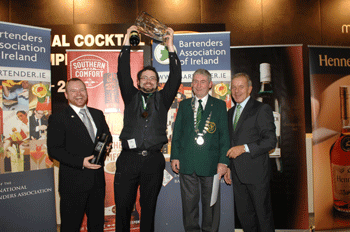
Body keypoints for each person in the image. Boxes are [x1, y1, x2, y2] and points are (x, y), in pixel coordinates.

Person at [114, 25, 181, 232]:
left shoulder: (163, 99)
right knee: (124, 207)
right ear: (138, 81)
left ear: (157, 83)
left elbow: (176, 77)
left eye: (153, 78)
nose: (149, 81)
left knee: (149, 208)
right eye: (145, 78)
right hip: (128, 159)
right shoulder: (131, 95)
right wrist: (127, 40)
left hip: (153, 160)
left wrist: (171, 48)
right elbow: (122, 71)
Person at [47, 78, 111, 232]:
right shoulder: (58, 118)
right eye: (73, 91)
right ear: (66, 95)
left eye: (82, 90)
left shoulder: (97, 114)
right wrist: (81, 162)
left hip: (97, 182)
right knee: (71, 226)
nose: (79, 94)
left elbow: (107, 135)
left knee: (97, 226)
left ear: (87, 92)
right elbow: (54, 150)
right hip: (73, 184)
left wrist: (107, 145)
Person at [171, 69, 230, 232]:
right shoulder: (184, 105)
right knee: (189, 207)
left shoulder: (219, 106)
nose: (198, 85)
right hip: (187, 163)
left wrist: (224, 161)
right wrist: (175, 156)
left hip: (211, 165)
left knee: (211, 206)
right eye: (195, 81)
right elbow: (177, 133)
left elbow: (225, 136)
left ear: (210, 84)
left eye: (202, 81)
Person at [225, 73, 276, 232]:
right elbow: (230, 143)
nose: (237, 90)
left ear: (250, 89)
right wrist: (228, 167)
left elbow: (270, 141)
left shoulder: (262, 109)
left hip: (257, 175)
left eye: (241, 87)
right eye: (233, 87)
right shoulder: (230, 113)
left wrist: (244, 148)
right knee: (245, 218)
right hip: (237, 176)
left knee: (263, 218)